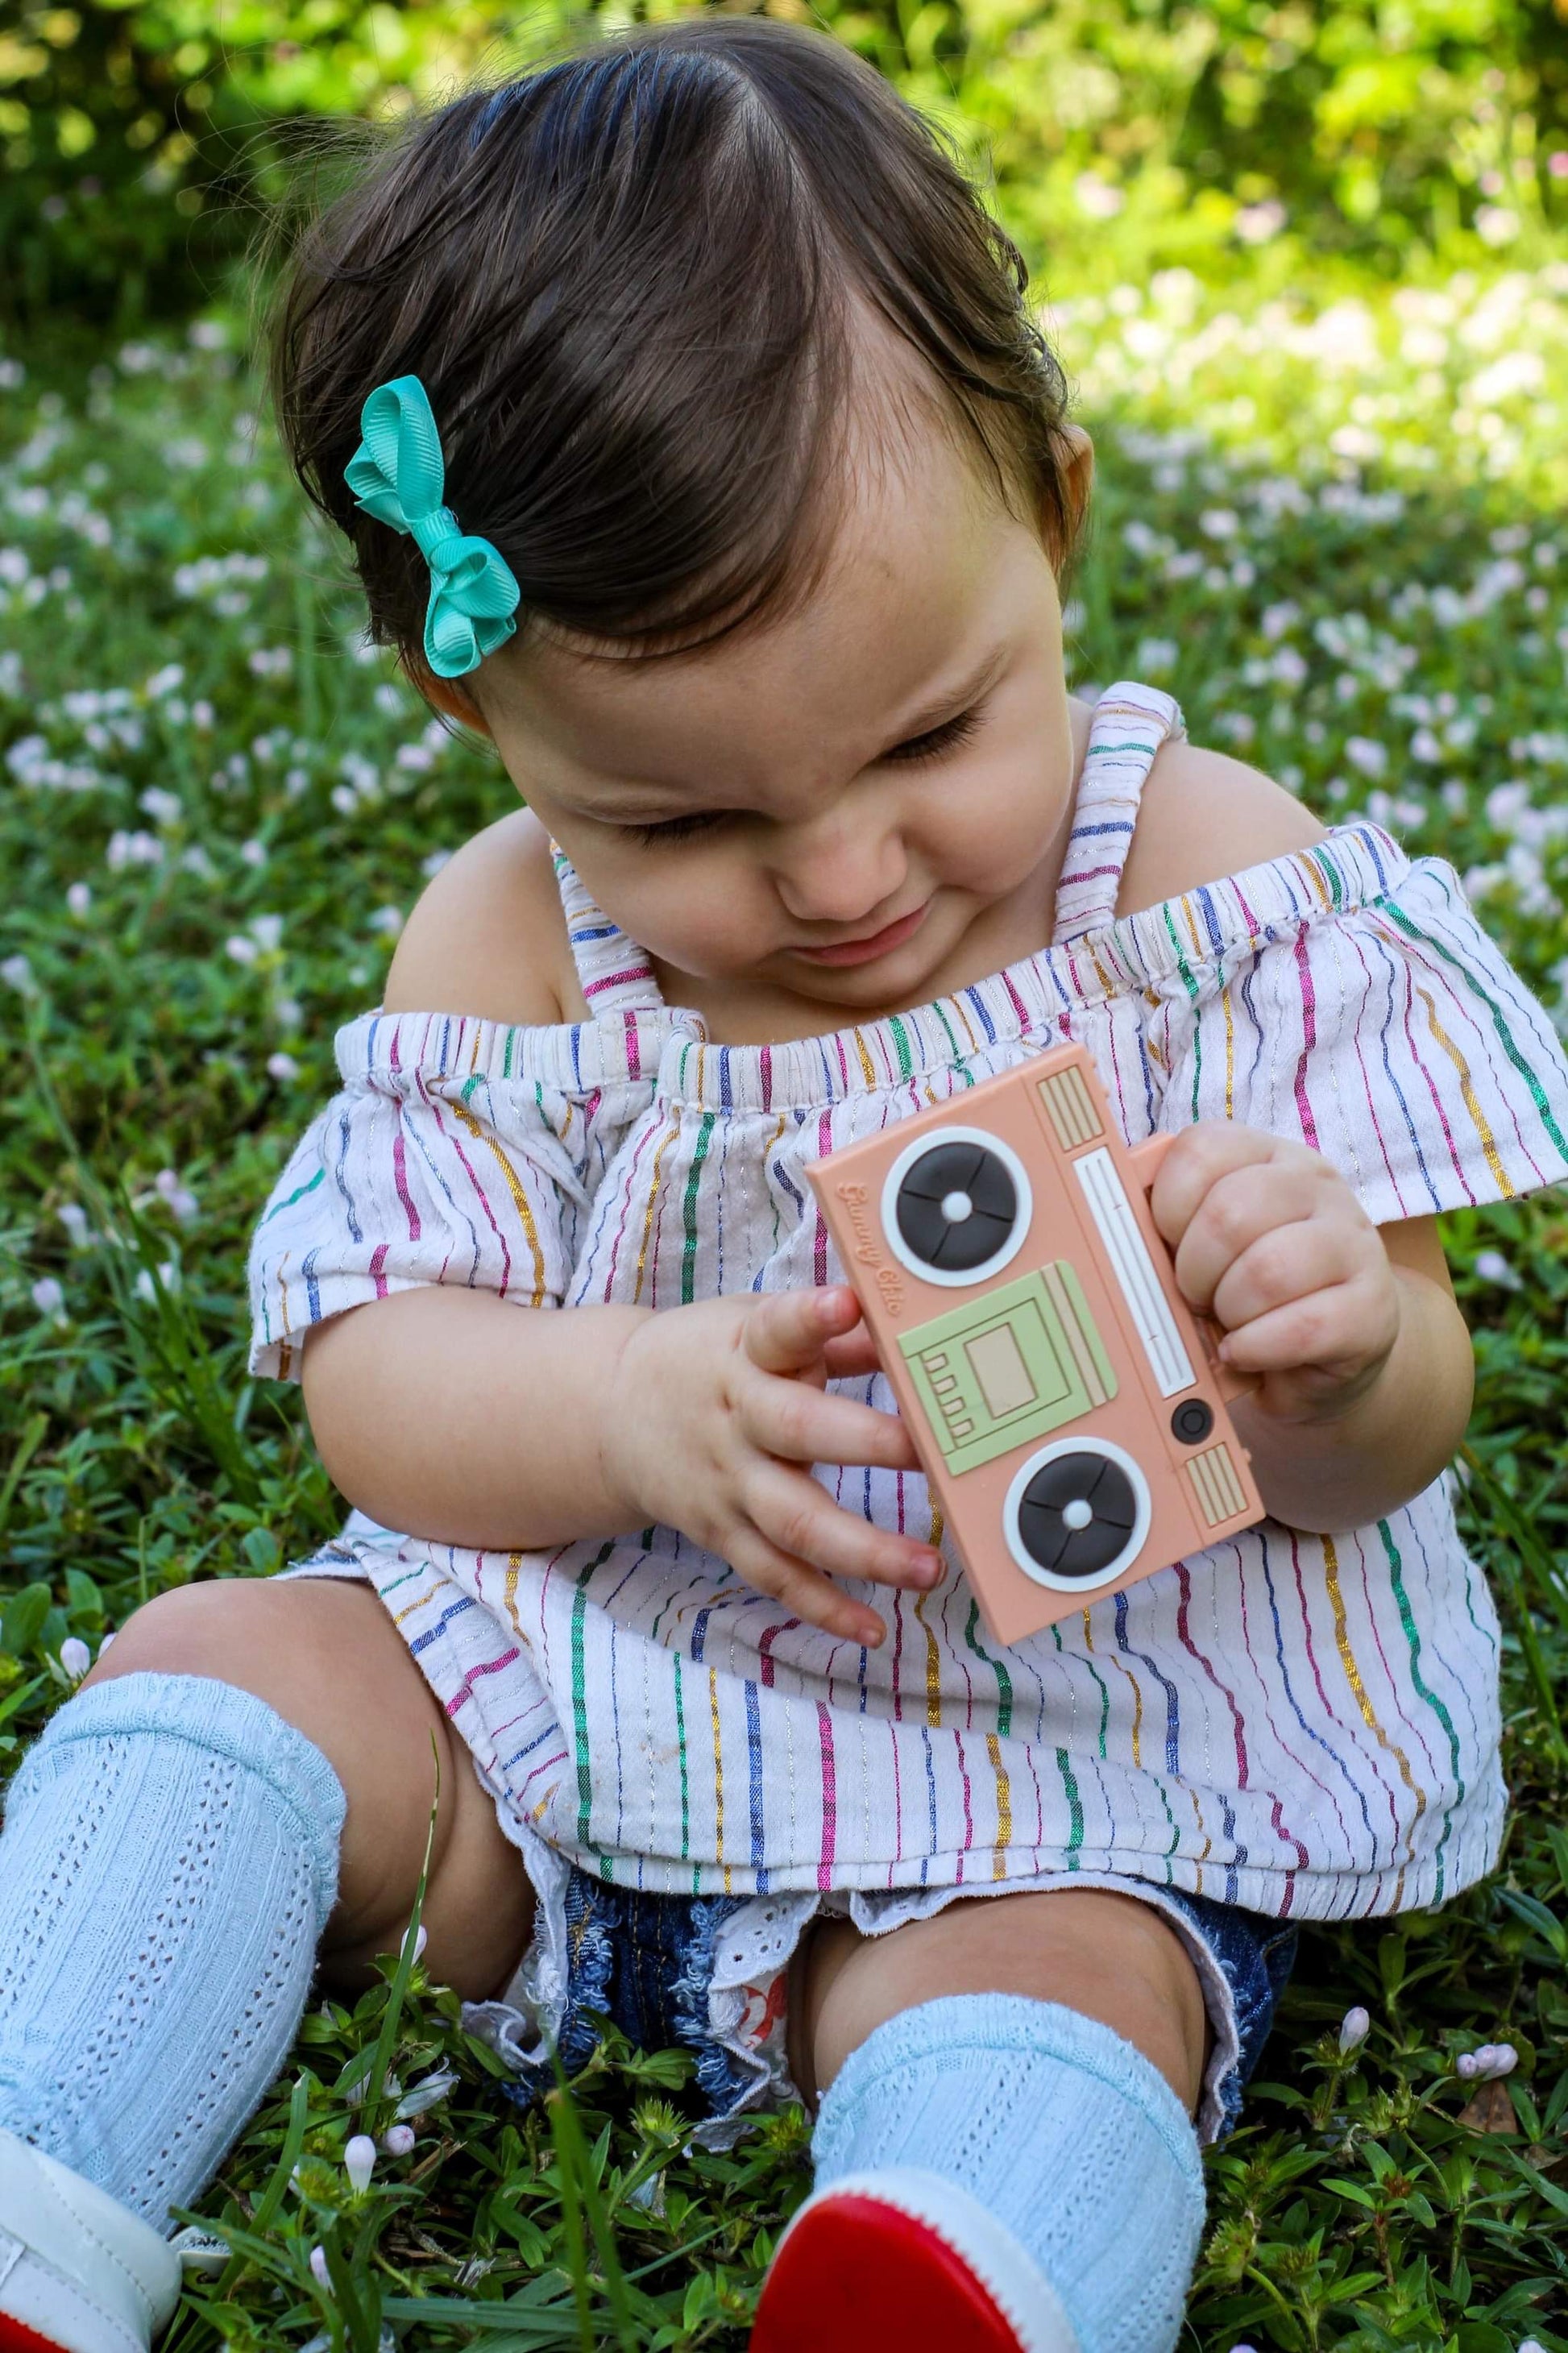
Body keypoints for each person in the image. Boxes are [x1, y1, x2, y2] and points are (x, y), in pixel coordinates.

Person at [3, 22, 1566, 2353]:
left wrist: (1331, 1343)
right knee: (220, 1661)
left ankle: (948, 2264)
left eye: (930, 734)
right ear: (489, 719)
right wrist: (620, 1405)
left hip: (1073, 1769)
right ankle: (44, 2164)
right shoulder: (514, 940)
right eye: (680, 821)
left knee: (1078, 1976)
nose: (840, 878)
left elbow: (1390, 1436)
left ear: (1047, 512)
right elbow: (380, 1384)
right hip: (561, 1745)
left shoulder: (1205, 885)